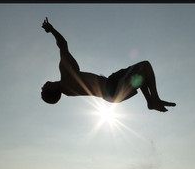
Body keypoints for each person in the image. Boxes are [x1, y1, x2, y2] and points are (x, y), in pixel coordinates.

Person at [40, 17, 175, 112]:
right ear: (52, 90)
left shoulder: (69, 88)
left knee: (141, 73)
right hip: (112, 89)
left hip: (111, 84)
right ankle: (154, 100)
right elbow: (63, 45)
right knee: (144, 66)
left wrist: (66, 54)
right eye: (44, 89)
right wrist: (52, 30)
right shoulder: (66, 79)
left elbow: (75, 67)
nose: (42, 86)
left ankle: (151, 101)